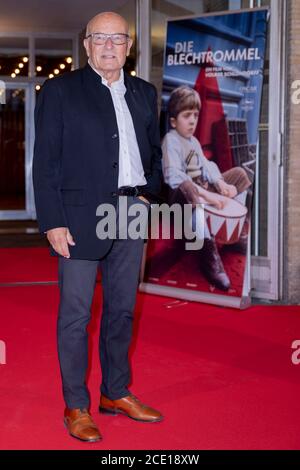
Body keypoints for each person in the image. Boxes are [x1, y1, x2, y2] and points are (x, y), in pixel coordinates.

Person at [33, 11, 163, 443]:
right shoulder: (60, 90)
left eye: (118, 38)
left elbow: (154, 156)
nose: (109, 46)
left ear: (129, 47)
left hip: (131, 214)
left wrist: (149, 195)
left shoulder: (145, 93)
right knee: (75, 316)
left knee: (122, 310)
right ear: (86, 44)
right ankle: (76, 405)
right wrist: (52, 221)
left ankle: (115, 392)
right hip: (78, 218)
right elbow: (46, 161)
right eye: (100, 38)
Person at [162, 85, 251, 291]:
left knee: (240, 175)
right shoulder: (170, 141)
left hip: (202, 192)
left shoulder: (193, 141)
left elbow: (206, 165)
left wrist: (221, 183)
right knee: (187, 186)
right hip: (181, 202)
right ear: (174, 121)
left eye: (195, 114)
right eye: (186, 115)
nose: (193, 120)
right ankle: (208, 250)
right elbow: (174, 176)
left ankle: (233, 234)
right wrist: (209, 197)